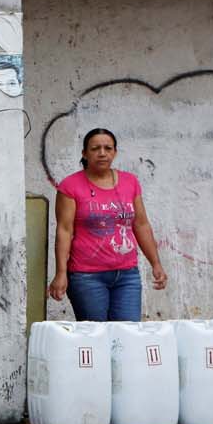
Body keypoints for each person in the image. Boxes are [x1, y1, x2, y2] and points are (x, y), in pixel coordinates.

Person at [47, 127, 168, 321]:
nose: (102, 153)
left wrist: (156, 263)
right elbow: (64, 230)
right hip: (87, 277)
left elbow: (141, 224)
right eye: (95, 148)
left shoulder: (130, 182)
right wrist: (61, 273)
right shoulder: (70, 186)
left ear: (115, 152)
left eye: (108, 148)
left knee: (127, 334)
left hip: (127, 275)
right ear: (84, 153)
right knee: (96, 337)